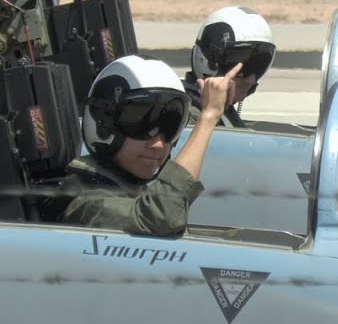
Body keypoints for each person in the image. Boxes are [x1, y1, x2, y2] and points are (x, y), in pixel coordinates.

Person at [58, 55, 240, 236]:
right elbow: (160, 217)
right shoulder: (84, 202)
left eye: (169, 129)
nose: (158, 145)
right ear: (103, 125)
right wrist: (208, 117)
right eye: (142, 126)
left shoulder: (130, 189)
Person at [184, 6, 276, 128]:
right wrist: (210, 115)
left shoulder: (222, 112)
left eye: (258, 67)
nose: (251, 79)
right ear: (209, 63)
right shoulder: (187, 115)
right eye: (242, 68)